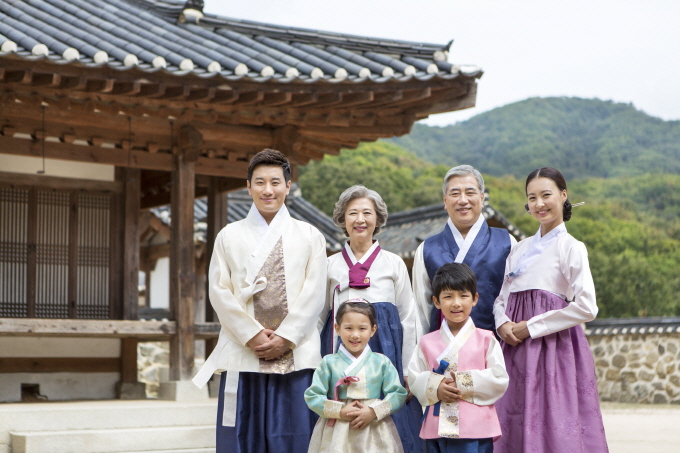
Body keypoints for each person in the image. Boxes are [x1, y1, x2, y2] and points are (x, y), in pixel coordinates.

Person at [192, 149, 328, 453]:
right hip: (244, 351)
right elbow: (219, 291)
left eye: (276, 182)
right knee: (244, 435)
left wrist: (286, 337)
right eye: (260, 182)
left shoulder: (310, 236)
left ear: (288, 186)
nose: (268, 190)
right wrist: (251, 334)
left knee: (295, 436)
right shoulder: (228, 235)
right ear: (248, 186)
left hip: (296, 353)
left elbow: (315, 292)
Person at [492, 167, 608, 453]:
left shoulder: (571, 247)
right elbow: (501, 298)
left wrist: (531, 327)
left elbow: (587, 306)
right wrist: (502, 323)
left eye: (546, 195)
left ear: (563, 195)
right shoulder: (519, 248)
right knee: (510, 420)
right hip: (513, 348)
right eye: (532, 198)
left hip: (553, 350)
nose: (539, 204)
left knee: (553, 423)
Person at [320, 185, 423, 453]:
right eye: (352, 213)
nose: (360, 219)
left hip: (386, 356)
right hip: (341, 361)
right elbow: (319, 319)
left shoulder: (394, 263)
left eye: (367, 213)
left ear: (378, 219)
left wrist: (407, 369)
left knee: (389, 430)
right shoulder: (330, 265)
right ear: (342, 219)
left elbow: (408, 318)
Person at [409, 263, 509, 453]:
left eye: (463, 296)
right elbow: (414, 377)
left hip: (475, 427)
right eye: (448, 296)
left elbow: (499, 378)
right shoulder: (426, 342)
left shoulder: (486, 339)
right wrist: (436, 387)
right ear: (436, 301)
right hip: (437, 426)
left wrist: (462, 382)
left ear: (475, 299)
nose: (456, 303)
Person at [412, 165, 515, 334]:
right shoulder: (427, 249)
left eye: (470, 192)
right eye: (455, 194)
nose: (462, 200)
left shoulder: (507, 242)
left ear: (482, 198)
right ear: (445, 201)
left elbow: (515, 301)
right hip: (443, 347)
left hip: (496, 344)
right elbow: (421, 311)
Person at [305, 299, 408, 453]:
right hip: (337, 428)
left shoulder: (381, 362)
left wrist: (373, 411)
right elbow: (312, 396)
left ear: (373, 330)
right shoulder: (328, 362)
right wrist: (339, 411)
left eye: (362, 328)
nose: (355, 335)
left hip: (373, 427)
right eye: (348, 328)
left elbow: (398, 394)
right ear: (337, 328)